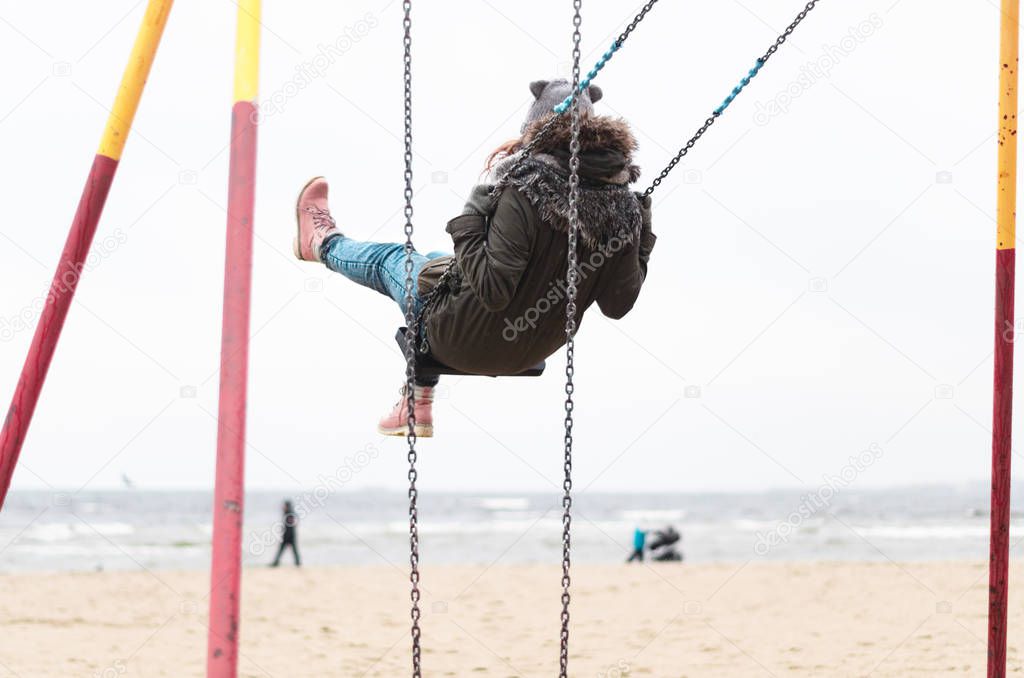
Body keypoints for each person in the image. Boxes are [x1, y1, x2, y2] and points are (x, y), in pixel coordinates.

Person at [293, 79, 656, 437]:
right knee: (435, 263)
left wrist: (470, 218)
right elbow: (618, 304)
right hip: (530, 351)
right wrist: (642, 236)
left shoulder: (525, 186)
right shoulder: (622, 205)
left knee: (394, 259)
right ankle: (415, 403)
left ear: (534, 128)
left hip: (464, 340)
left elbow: (494, 289)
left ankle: (322, 242)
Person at [271, 500, 300, 567]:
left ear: (287, 506)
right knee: (285, 550)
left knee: (290, 550)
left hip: (289, 536)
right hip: (289, 535)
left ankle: (276, 562)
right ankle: (297, 563)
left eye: (284, 505)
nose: (283, 507)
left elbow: (290, 526)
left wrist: (286, 536)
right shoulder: (288, 513)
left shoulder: (289, 514)